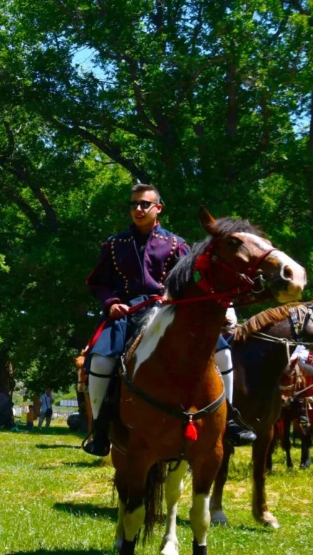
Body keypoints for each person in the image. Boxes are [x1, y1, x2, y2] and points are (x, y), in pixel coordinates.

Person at [84, 183, 256, 456]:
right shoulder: (114, 244)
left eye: (145, 204)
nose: (138, 209)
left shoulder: (177, 244)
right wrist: (111, 302)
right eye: (134, 204)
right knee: (100, 360)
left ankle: (230, 419)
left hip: (170, 312)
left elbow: (194, 280)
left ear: (158, 208)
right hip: (126, 314)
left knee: (223, 354)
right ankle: (100, 427)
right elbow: (97, 282)